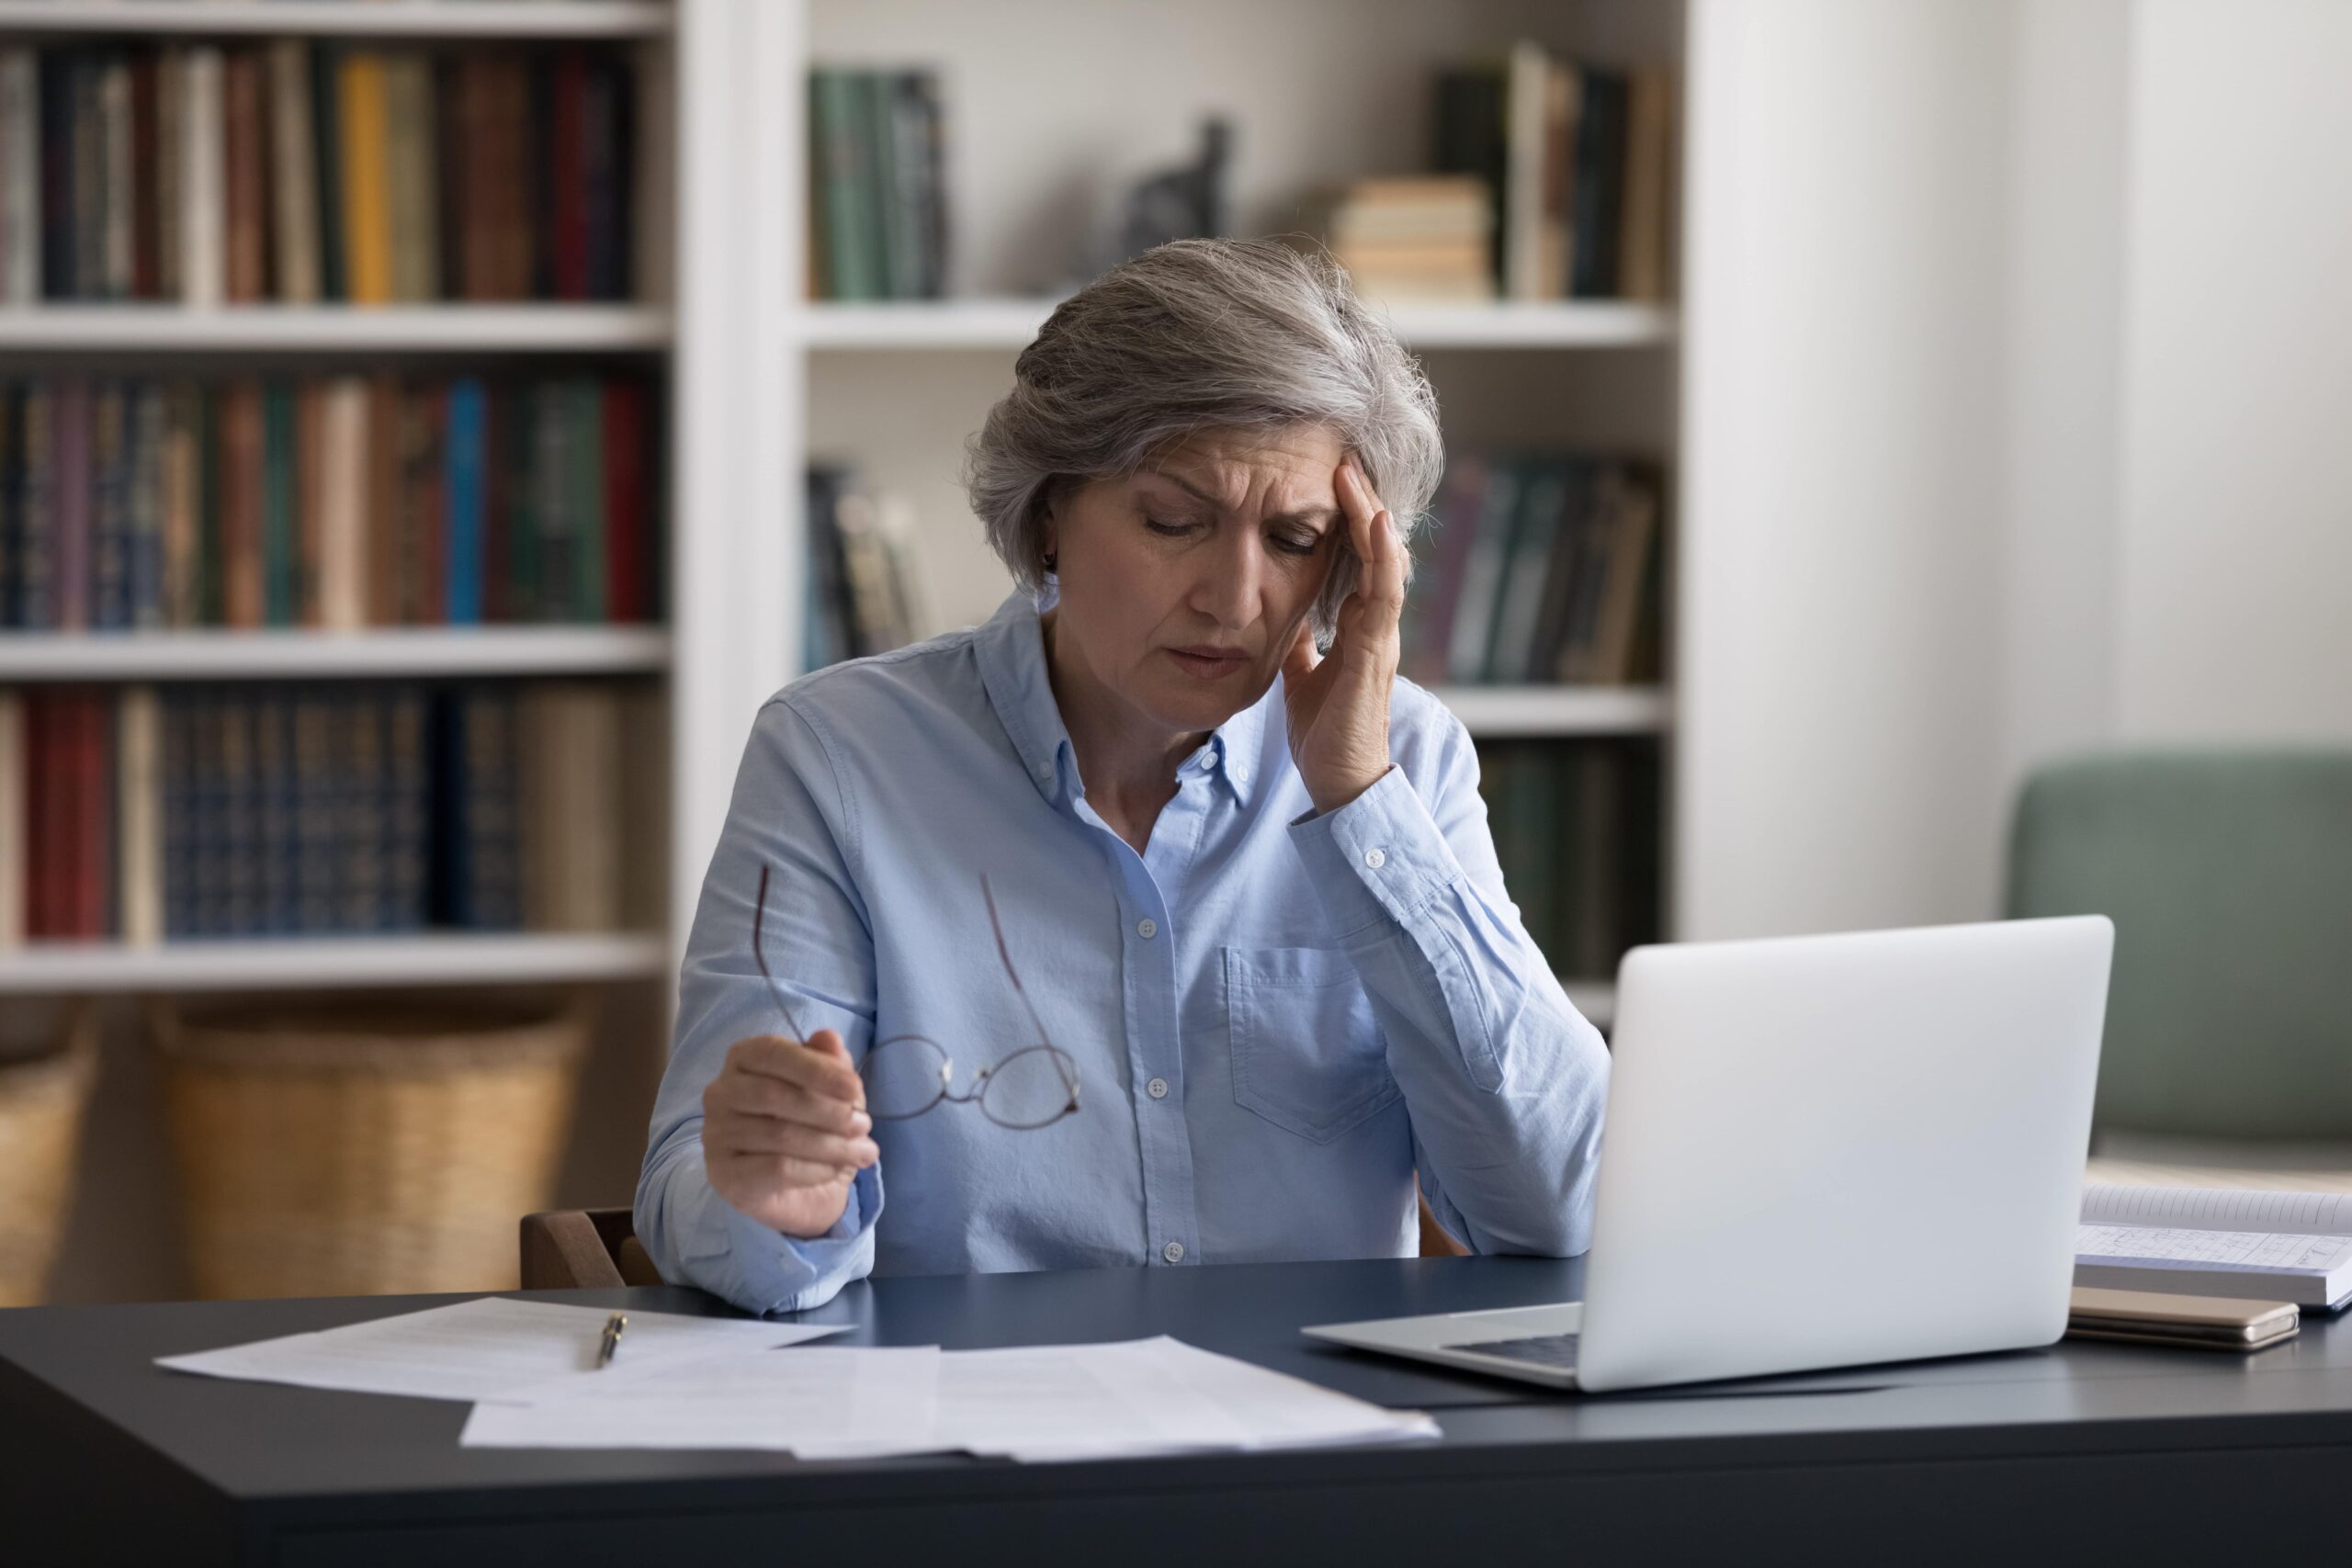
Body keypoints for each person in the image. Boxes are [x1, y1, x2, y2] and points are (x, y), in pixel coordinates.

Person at [636, 239, 1609, 1314]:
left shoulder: (1404, 763)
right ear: (1049, 512)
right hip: (956, 1439)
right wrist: (777, 1198)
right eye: (1173, 522)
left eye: (1294, 540)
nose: (1232, 598)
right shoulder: (839, 757)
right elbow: (697, 1194)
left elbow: (1566, 1209)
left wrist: (1361, 809)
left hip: (1310, 1447)